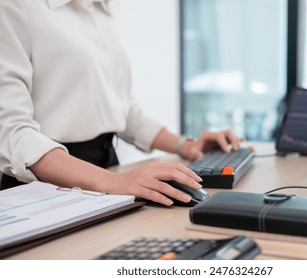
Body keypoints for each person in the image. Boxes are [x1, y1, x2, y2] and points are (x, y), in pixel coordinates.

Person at [0, 0, 242, 206]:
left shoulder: (105, 6)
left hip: (107, 167)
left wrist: (185, 146)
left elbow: (119, 107)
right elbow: (12, 131)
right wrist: (112, 181)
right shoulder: (17, 5)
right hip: (43, 185)